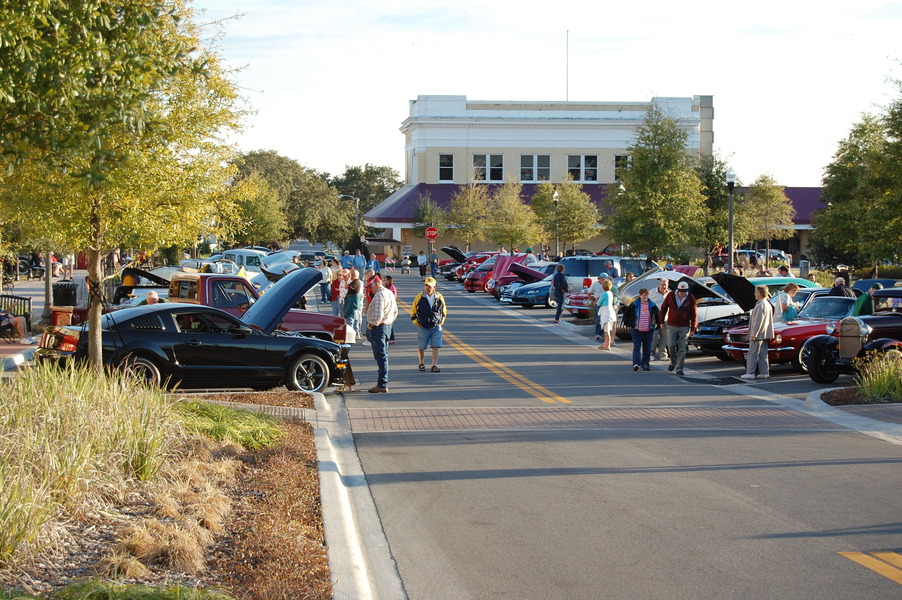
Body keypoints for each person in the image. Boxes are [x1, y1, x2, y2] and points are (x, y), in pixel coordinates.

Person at [365, 276, 398, 393]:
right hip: (387, 326)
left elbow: (378, 316)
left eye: (371, 286)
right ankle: (382, 382)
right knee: (384, 355)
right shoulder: (389, 293)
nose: (370, 289)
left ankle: (382, 384)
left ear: (377, 284)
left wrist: (372, 324)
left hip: (379, 327)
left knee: (381, 356)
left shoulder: (379, 295)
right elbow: (395, 312)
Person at [659, 280, 698, 376]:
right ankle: (673, 362)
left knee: (682, 348)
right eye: (681, 291)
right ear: (677, 290)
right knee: (671, 345)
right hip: (672, 325)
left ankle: (679, 369)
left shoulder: (690, 297)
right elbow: (663, 308)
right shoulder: (671, 295)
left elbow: (694, 314)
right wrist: (661, 322)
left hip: (684, 326)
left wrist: (693, 328)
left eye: (684, 291)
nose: (682, 293)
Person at [410, 276, 446, 372]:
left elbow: (444, 310)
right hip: (423, 326)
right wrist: (417, 323)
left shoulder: (439, 297)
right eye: (426, 285)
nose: (428, 288)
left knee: (435, 346)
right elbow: (413, 312)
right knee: (421, 346)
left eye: (430, 286)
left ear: (434, 287)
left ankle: (434, 365)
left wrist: (441, 322)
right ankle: (421, 363)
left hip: (436, 326)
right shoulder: (419, 297)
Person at [621, 288, 660, 371]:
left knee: (647, 348)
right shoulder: (635, 304)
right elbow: (627, 313)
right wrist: (627, 323)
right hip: (636, 330)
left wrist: (658, 325)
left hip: (648, 330)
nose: (645, 297)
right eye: (643, 295)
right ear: (640, 295)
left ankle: (645, 364)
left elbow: (657, 315)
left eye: (646, 295)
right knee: (637, 347)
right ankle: (636, 364)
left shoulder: (652, 305)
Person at [741, 284, 774, 380]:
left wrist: (754, 334)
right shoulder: (767, 303)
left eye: (756, 292)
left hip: (758, 333)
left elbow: (758, 321)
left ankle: (750, 372)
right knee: (763, 354)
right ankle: (764, 372)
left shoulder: (761, 305)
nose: (754, 294)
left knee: (752, 353)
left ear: (760, 293)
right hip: (765, 333)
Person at [648, 278, 670, 361]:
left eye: (665, 285)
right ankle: (651, 353)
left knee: (664, 337)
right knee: (654, 336)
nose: (664, 286)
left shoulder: (669, 293)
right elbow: (648, 303)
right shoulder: (652, 292)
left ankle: (663, 354)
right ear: (658, 284)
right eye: (662, 285)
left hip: (666, 318)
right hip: (654, 318)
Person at [595, 279, 617, 350]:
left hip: (606, 312)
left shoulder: (604, 293)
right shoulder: (610, 293)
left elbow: (598, 303)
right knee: (609, 329)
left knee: (606, 331)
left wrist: (596, 302)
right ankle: (606, 344)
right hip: (611, 311)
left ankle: (608, 345)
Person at [342, 269, 362, 342]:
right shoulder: (357, 282)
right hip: (354, 304)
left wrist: (348, 279)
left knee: (351, 320)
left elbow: (347, 286)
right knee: (355, 319)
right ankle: (356, 333)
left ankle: (350, 336)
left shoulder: (355, 282)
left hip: (352, 304)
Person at [586, 274, 605, 341]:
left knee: (604, 319)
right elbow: (589, 293)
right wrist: (593, 301)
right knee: (598, 319)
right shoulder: (595, 284)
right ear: (600, 278)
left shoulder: (606, 285)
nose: (604, 280)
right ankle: (598, 333)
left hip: (605, 304)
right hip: (598, 303)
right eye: (603, 279)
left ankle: (603, 333)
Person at [384, 275, 398, 344]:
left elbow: (394, 297)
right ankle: (389, 337)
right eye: (384, 280)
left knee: (389, 323)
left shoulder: (392, 287)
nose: (385, 281)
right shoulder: (386, 287)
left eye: (386, 280)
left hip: (391, 307)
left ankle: (392, 338)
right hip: (387, 306)